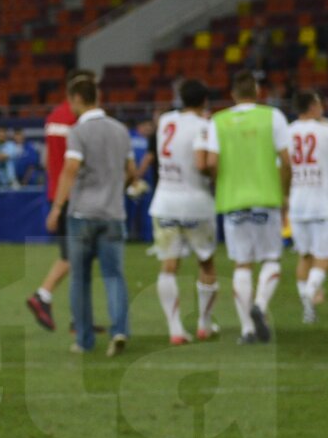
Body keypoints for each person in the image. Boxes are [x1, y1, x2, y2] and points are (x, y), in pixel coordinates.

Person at [47, 74, 136, 356]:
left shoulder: (78, 131)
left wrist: (57, 206)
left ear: (76, 99)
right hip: (112, 214)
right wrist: (115, 189)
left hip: (83, 214)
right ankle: (119, 329)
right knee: (114, 276)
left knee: (80, 279)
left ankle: (84, 340)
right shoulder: (121, 130)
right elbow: (131, 172)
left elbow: (71, 168)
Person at [202, 70, 291, 344]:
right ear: (258, 92)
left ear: (233, 94)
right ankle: (261, 306)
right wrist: (284, 193)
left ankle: (247, 330)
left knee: (242, 264)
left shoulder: (219, 121)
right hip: (266, 196)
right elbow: (286, 160)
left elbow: (211, 162)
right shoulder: (272, 117)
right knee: (271, 259)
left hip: (233, 200)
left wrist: (221, 183)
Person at [147, 80, 219, 344]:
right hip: (196, 202)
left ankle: (175, 329)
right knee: (206, 263)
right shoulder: (204, 126)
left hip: (164, 201)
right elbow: (202, 163)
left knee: (168, 265)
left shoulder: (165, 120)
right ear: (204, 102)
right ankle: (204, 323)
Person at [27, 69, 96, 331]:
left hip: (56, 190)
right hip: (73, 194)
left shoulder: (54, 116)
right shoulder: (78, 121)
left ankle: (78, 318)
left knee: (78, 255)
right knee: (75, 255)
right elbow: (77, 163)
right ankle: (43, 295)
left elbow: (48, 161)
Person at [286, 90, 328, 325]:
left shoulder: (287, 132)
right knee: (324, 259)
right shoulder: (327, 131)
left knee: (305, 256)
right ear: (313, 106)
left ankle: (307, 307)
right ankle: (312, 295)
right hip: (322, 203)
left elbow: (281, 166)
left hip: (297, 202)